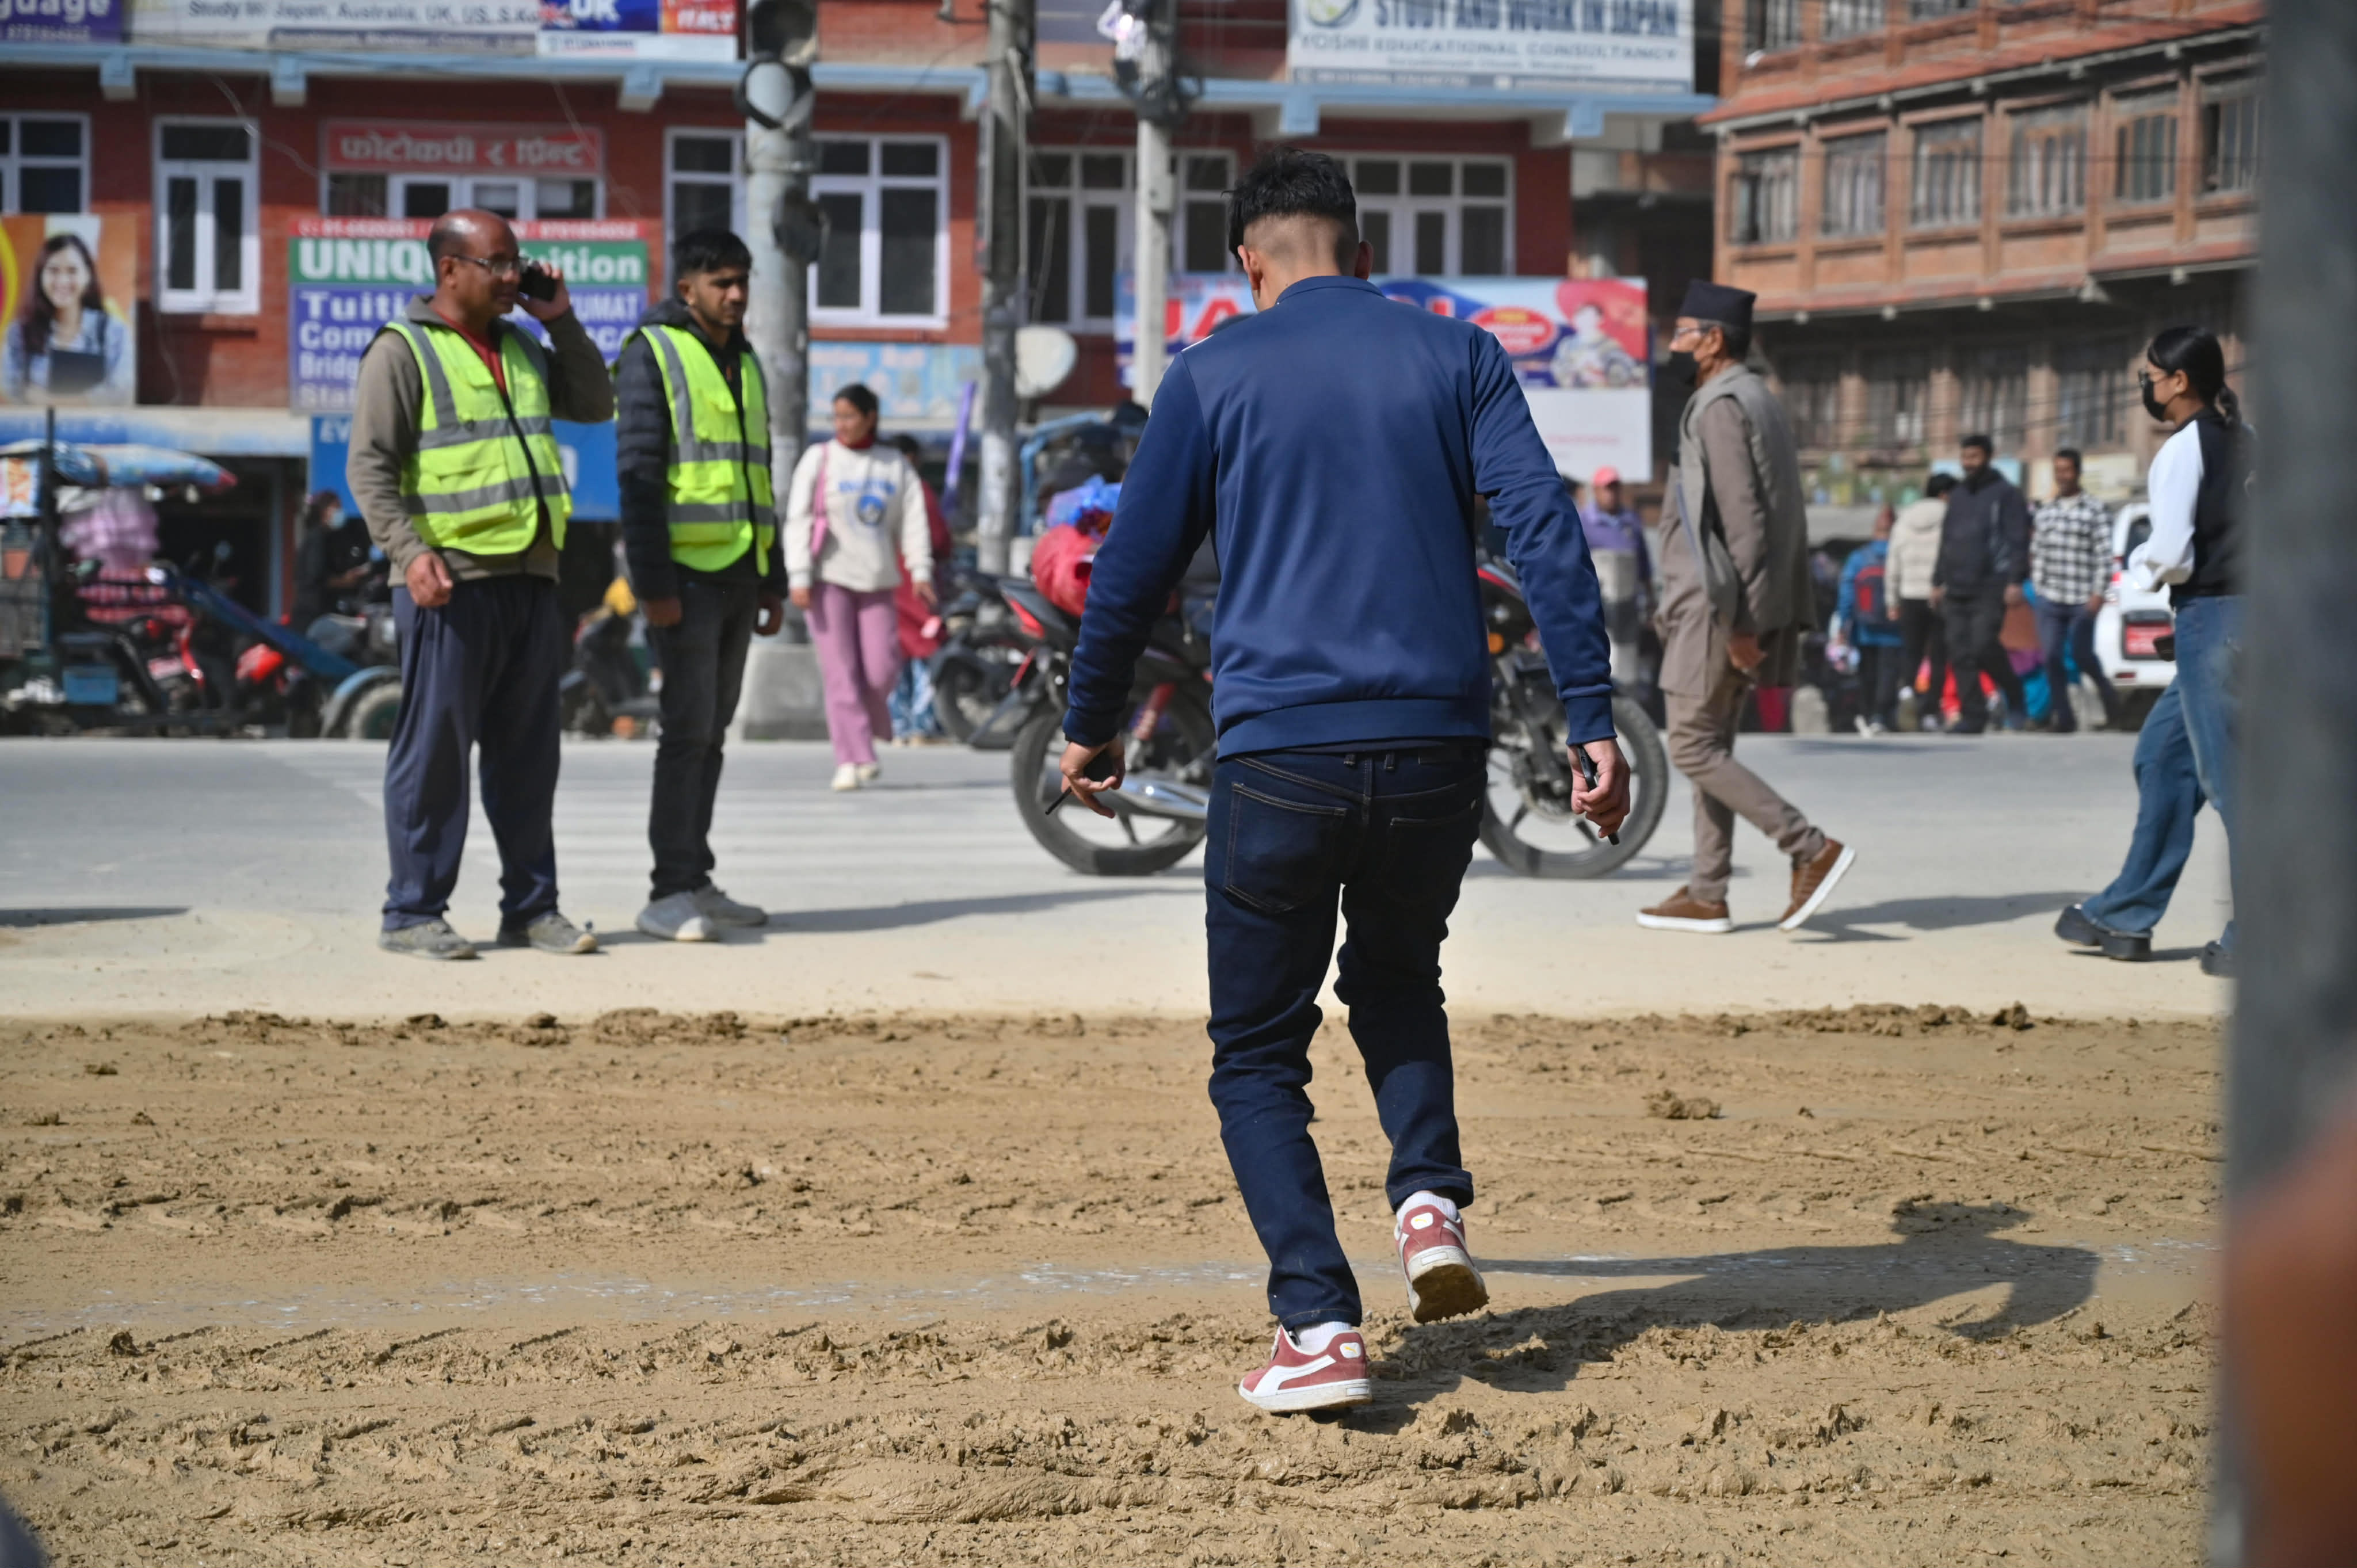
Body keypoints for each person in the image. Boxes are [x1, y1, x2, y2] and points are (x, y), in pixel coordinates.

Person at [1055, 149, 1628, 1415]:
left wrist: (1089, 727)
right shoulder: (1461, 355)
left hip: (1280, 756)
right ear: (1363, 254)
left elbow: (1131, 573)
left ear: (1246, 263)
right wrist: (1588, 712)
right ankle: (1427, 1202)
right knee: (1397, 976)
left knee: (1257, 1051)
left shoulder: (1209, 373)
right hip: (1438, 749)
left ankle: (1318, 1324)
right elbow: (1542, 528)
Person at [348, 209, 611, 960]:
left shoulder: (523, 345)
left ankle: (532, 909)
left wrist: (559, 320)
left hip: (530, 579)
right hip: (449, 584)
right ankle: (412, 912)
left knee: (529, 759)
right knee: (435, 752)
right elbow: (369, 467)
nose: (511, 276)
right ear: (449, 269)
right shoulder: (402, 352)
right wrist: (409, 552)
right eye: (496, 263)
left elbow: (595, 403)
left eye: (516, 263)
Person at [1637, 280, 1852, 937]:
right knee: (1713, 745)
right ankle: (1708, 891)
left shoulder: (1720, 406)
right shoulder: (1757, 398)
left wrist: (1741, 621)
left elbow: (1744, 522)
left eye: (1683, 333)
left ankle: (1807, 846)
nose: (1674, 344)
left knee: (1690, 745)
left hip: (1713, 605)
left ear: (1713, 340)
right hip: (1720, 603)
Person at [2057, 325, 2248, 978]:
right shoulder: (2247, 439)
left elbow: (2169, 552)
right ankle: (2126, 912)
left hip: (2214, 619)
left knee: (2233, 785)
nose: (2146, 385)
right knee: (2163, 759)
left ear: (2179, 381)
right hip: (2236, 619)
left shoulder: (2183, 448)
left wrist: (2137, 575)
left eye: (2151, 374)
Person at [613, 227, 785, 943]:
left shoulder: (743, 357)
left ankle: (695, 877)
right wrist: (654, 584)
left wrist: (773, 579)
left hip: (741, 573)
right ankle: (667, 892)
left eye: (743, 281)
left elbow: (757, 473)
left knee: (711, 734)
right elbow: (638, 477)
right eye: (722, 283)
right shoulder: (651, 353)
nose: (737, 294)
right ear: (686, 289)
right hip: (685, 580)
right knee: (686, 734)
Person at [782, 383, 935, 791]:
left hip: (878, 582)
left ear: (871, 418)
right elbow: (797, 519)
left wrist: (921, 570)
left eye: (850, 416)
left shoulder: (893, 464)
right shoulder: (820, 458)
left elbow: (914, 521)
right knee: (841, 674)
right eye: (837, 416)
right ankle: (852, 757)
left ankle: (866, 729)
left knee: (883, 669)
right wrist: (799, 575)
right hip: (828, 581)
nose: (842, 424)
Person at [1932, 434, 2031, 734]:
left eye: (1974, 457)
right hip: (1956, 586)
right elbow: (1947, 540)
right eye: (1965, 457)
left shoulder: (2007, 494)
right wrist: (1937, 581)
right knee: (1959, 652)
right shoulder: (1959, 495)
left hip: (1991, 584)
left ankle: (2014, 694)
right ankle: (1973, 715)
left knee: (1983, 645)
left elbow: (2018, 540)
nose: (1969, 463)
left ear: (1988, 457)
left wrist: (2015, 580)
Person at [2028, 448, 2120, 733]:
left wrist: (2098, 592)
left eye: (2067, 471)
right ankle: (2064, 717)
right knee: (2051, 656)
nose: (2062, 476)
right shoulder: (2046, 512)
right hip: (2051, 597)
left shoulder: (2095, 510)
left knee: (2082, 655)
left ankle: (2110, 699)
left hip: (2083, 598)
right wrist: (2039, 587)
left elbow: (2104, 555)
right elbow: (2038, 552)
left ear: (2078, 473)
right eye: (2058, 471)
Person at [2, 232, 132, 404]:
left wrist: (52, 402)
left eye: (72, 271)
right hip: (38, 422)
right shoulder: (19, 332)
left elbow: (121, 390)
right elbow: (10, 387)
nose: (62, 281)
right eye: (53, 271)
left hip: (94, 423)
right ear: (40, 276)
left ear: (88, 275)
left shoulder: (113, 331)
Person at [886, 432, 955, 745]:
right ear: (912, 458)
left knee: (895, 658)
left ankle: (898, 726)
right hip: (917, 586)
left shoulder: (880, 491)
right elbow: (939, 540)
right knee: (926, 655)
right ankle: (923, 726)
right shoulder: (919, 491)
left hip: (885, 586)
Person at [1888, 472, 1954, 728]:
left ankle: (1907, 693)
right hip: (1940, 596)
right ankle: (1930, 711)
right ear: (1945, 494)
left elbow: (1893, 564)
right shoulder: (1952, 518)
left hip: (1909, 594)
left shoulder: (1904, 519)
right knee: (1938, 655)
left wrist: (1892, 601)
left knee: (1911, 651)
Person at [1834, 506, 1904, 734]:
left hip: (1864, 628)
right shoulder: (1901, 556)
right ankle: (1882, 716)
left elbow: (1847, 593)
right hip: (1895, 628)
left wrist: (1844, 622)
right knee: (1889, 673)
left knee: (1867, 673)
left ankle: (1868, 714)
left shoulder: (1859, 558)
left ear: (1875, 529)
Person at [1581, 465, 1652, 689]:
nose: (1611, 494)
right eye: (1606, 489)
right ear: (1596, 491)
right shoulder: (1584, 523)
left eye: (1615, 488)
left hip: (1627, 607)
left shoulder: (1631, 521)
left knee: (1625, 662)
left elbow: (1643, 563)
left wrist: (1650, 597)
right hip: (1597, 606)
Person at [289, 489, 375, 630]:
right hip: (312, 615)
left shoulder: (333, 538)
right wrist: (345, 581)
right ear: (324, 511)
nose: (340, 512)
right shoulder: (318, 538)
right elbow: (317, 577)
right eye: (337, 508)